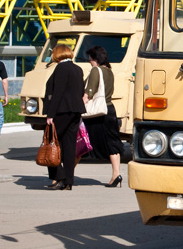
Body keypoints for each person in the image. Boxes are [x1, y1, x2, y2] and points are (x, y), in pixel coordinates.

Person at [43, 44, 85, 191]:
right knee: (69, 146)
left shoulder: (61, 68)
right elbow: (80, 91)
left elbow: (58, 93)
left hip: (62, 110)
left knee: (50, 141)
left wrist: (50, 114)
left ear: (57, 54)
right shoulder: (77, 69)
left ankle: (58, 175)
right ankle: (68, 181)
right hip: (75, 111)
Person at [83, 46, 123, 188]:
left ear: (96, 59)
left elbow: (89, 93)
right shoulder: (109, 72)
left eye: (91, 59)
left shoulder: (96, 70)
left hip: (98, 113)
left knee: (82, 141)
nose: (89, 62)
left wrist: (80, 104)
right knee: (112, 142)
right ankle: (116, 173)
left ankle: (67, 174)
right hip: (110, 109)